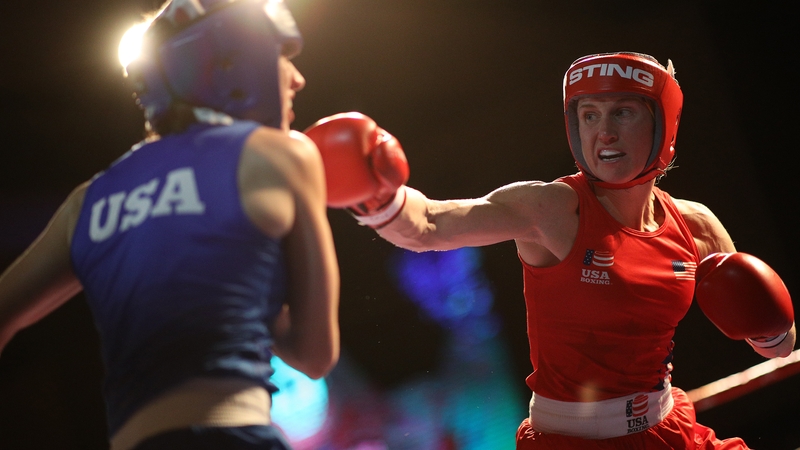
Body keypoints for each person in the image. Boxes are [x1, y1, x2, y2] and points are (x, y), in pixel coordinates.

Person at [304, 52, 796, 448]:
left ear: (662, 126)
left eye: (622, 112)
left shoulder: (696, 226)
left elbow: (776, 344)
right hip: (570, 441)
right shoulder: (551, 208)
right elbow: (429, 225)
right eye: (589, 114)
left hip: (669, 429)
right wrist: (377, 196)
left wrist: (772, 326)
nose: (603, 131)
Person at [0, 0, 339, 449]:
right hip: (234, 434)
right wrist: (251, 296)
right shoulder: (283, 155)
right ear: (230, 58)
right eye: (280, 55)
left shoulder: (86, 202)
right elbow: (317, 355)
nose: (297, 78)